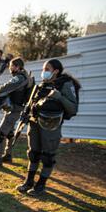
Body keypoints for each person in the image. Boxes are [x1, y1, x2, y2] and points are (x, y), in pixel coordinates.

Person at [17, 59, 79, 196]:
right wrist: (26, 114)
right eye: (43, 69)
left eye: (47, 69)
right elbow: (30, 103)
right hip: (34, 124)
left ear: (56, 71)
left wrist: (60, 97)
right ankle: (29, 181)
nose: (43, 72)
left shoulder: (65, 85)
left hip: (51, 126)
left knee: (48, 156)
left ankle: (41, 185)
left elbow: (73, 108)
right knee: (33, 154)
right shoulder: (41, 85)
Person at [0, 57, 31, 170]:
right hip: (15, 109)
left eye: (11, 66)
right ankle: (8, 155)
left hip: (14, 110)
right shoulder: (24, 76)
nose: (10, 68)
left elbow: (6, 87)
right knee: (9, 133)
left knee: (0, 134)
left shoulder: (19, 78)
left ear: (17, 67)